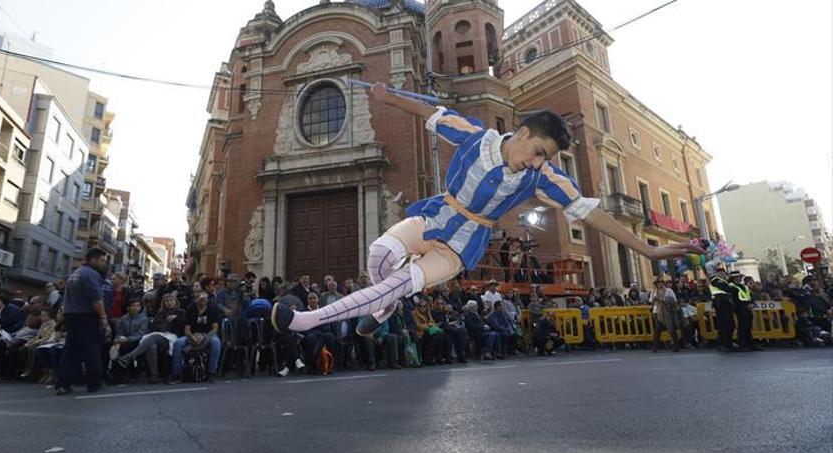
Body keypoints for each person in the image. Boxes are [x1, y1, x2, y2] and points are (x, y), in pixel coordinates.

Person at [269, 83, 699, 336]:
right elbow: (429, 109)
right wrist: (385, 96)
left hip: (463, 241)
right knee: (380, 256)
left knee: (401, 281)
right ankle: (382, 309)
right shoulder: (474, 136)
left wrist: (648, 251)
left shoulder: (543, 179)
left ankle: (307, 321)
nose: (538, 162)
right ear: (523, 132)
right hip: (439, 213)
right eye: (538, 151)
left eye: (545, 158)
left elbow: (594, 215)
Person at [56, 248, 111, 395]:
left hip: (72, 315)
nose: (104, 264)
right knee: (92, 349)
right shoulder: (91, 274)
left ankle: (63, 383)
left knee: (71, 350)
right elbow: (96, 299)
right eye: (102, 260)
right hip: (86, 316)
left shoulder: (76, 273)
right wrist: (103, 317)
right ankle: (95, 383)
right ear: (93, 259)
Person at [118, 293, 184, 383]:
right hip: (160, 334)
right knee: (151, 346)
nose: (169, 303)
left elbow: (182, 323)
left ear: (176, 302)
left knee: (153, 336)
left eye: (171, 300)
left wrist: (175, 318)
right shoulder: (160, 312)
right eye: (167, 301)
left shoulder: (181, 312)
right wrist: (165, 324)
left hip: (173, 337)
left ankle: (129, 357)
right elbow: (155, 326)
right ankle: (154, 374)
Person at [168, 291, 222, 384]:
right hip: (193, 334)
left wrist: (204, 337)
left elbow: (215, 329)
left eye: (204, 297)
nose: (202, 299)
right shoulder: (191, 310)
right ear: (195, 299)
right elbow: (187, 329)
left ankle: (211, 372)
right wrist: (192, 337)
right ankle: (177, 373)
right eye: (199, 297)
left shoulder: (213, 309)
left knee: (216, 342)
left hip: (208, 334)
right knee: (179, 342)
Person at [708, 264, 738, 352]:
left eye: (724, 272)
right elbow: (727, 288)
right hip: (720, 304)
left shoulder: (725, 281)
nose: (724, 274)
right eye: (721, 272)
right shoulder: (715, 279)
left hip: (727, 304)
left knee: (730, 325)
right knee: (724, 325)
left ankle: (728, 343)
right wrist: (730, 287)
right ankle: (723, 344)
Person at [730, 271, 762, 351]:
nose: (740, 278)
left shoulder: (743, 286)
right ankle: (743, 344)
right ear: (734, 278)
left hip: (748, 308)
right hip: (740, 308)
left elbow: (749, 296)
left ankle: (750, 344)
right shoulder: (732, 287)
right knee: (743, 326)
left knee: (748, 326)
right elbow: (735, 299)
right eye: (739, 276)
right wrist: (745, 305)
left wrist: (752, 303)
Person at [649, 279, 680, 352]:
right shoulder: (654, 291)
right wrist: (654, 299)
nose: (660, 284)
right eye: (658, 283)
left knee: (671, 328)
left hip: (667, 312)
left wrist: (661, 299)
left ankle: (676, 345)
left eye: (661, 283)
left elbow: (674, 300)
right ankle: (655, 346)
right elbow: (651, 301)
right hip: (657, 312)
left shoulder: (669, 291)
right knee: (657, 329)